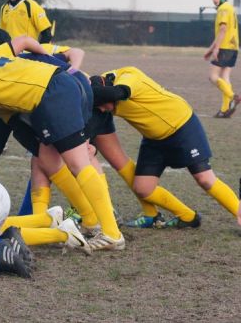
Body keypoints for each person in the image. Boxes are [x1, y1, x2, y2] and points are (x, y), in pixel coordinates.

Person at [0, 35, 125, 251]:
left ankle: (110, 231)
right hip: (59, 86)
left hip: (55, 89)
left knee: (78, 161)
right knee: (45, 157)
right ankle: (88, 220)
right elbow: (22, 40)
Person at [91, 66, 241, 228]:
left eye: (101, 104)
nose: (101, 109)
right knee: (142, 188)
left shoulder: (129, 76)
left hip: (182, 126)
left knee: (205, 179)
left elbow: (118, 93)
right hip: (154, 139)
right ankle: (187, 217)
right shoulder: (102, 91)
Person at [203, 0, 240, 118]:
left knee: (212, 77)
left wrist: (216, 48)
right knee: (224, 77)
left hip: (224, 48)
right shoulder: (230, 8)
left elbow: (223, 30)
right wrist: (210, 49)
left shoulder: (223, 9)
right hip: (234, 48)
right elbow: (221, 32)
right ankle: (224, 110)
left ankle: (233, 97)